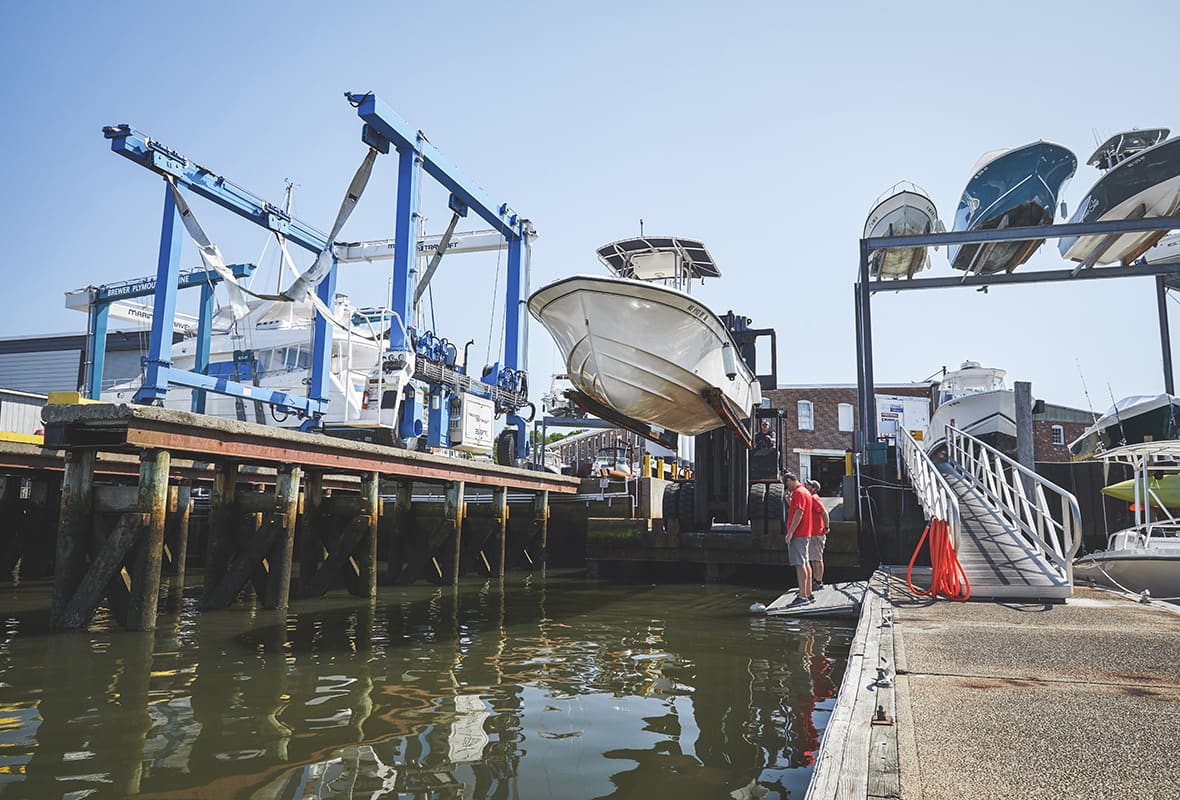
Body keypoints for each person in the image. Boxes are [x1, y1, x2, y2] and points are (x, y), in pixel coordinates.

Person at [783, 472, 813, 606]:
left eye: (786, 484)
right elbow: (798, 509)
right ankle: (808, 592)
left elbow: (799, 512)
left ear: (790, 480)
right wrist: (790, 502)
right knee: (805, 562)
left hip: (799, 534)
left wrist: (790, 533)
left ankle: (802, 596)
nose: (787, 487)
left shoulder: (798, 493)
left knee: (799, 564)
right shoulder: (805, 492)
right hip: (806, 533)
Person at [806, 479, 830, 590]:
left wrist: (826, 527)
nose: (806, 485)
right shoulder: (810, 499)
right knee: (813, 558)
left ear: (814, 489)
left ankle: (819, 581)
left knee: (817, 559)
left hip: (817, 533)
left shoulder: (814, 498)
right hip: (812, 533)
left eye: (809, 485)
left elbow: (824, 513)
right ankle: (816, 580)